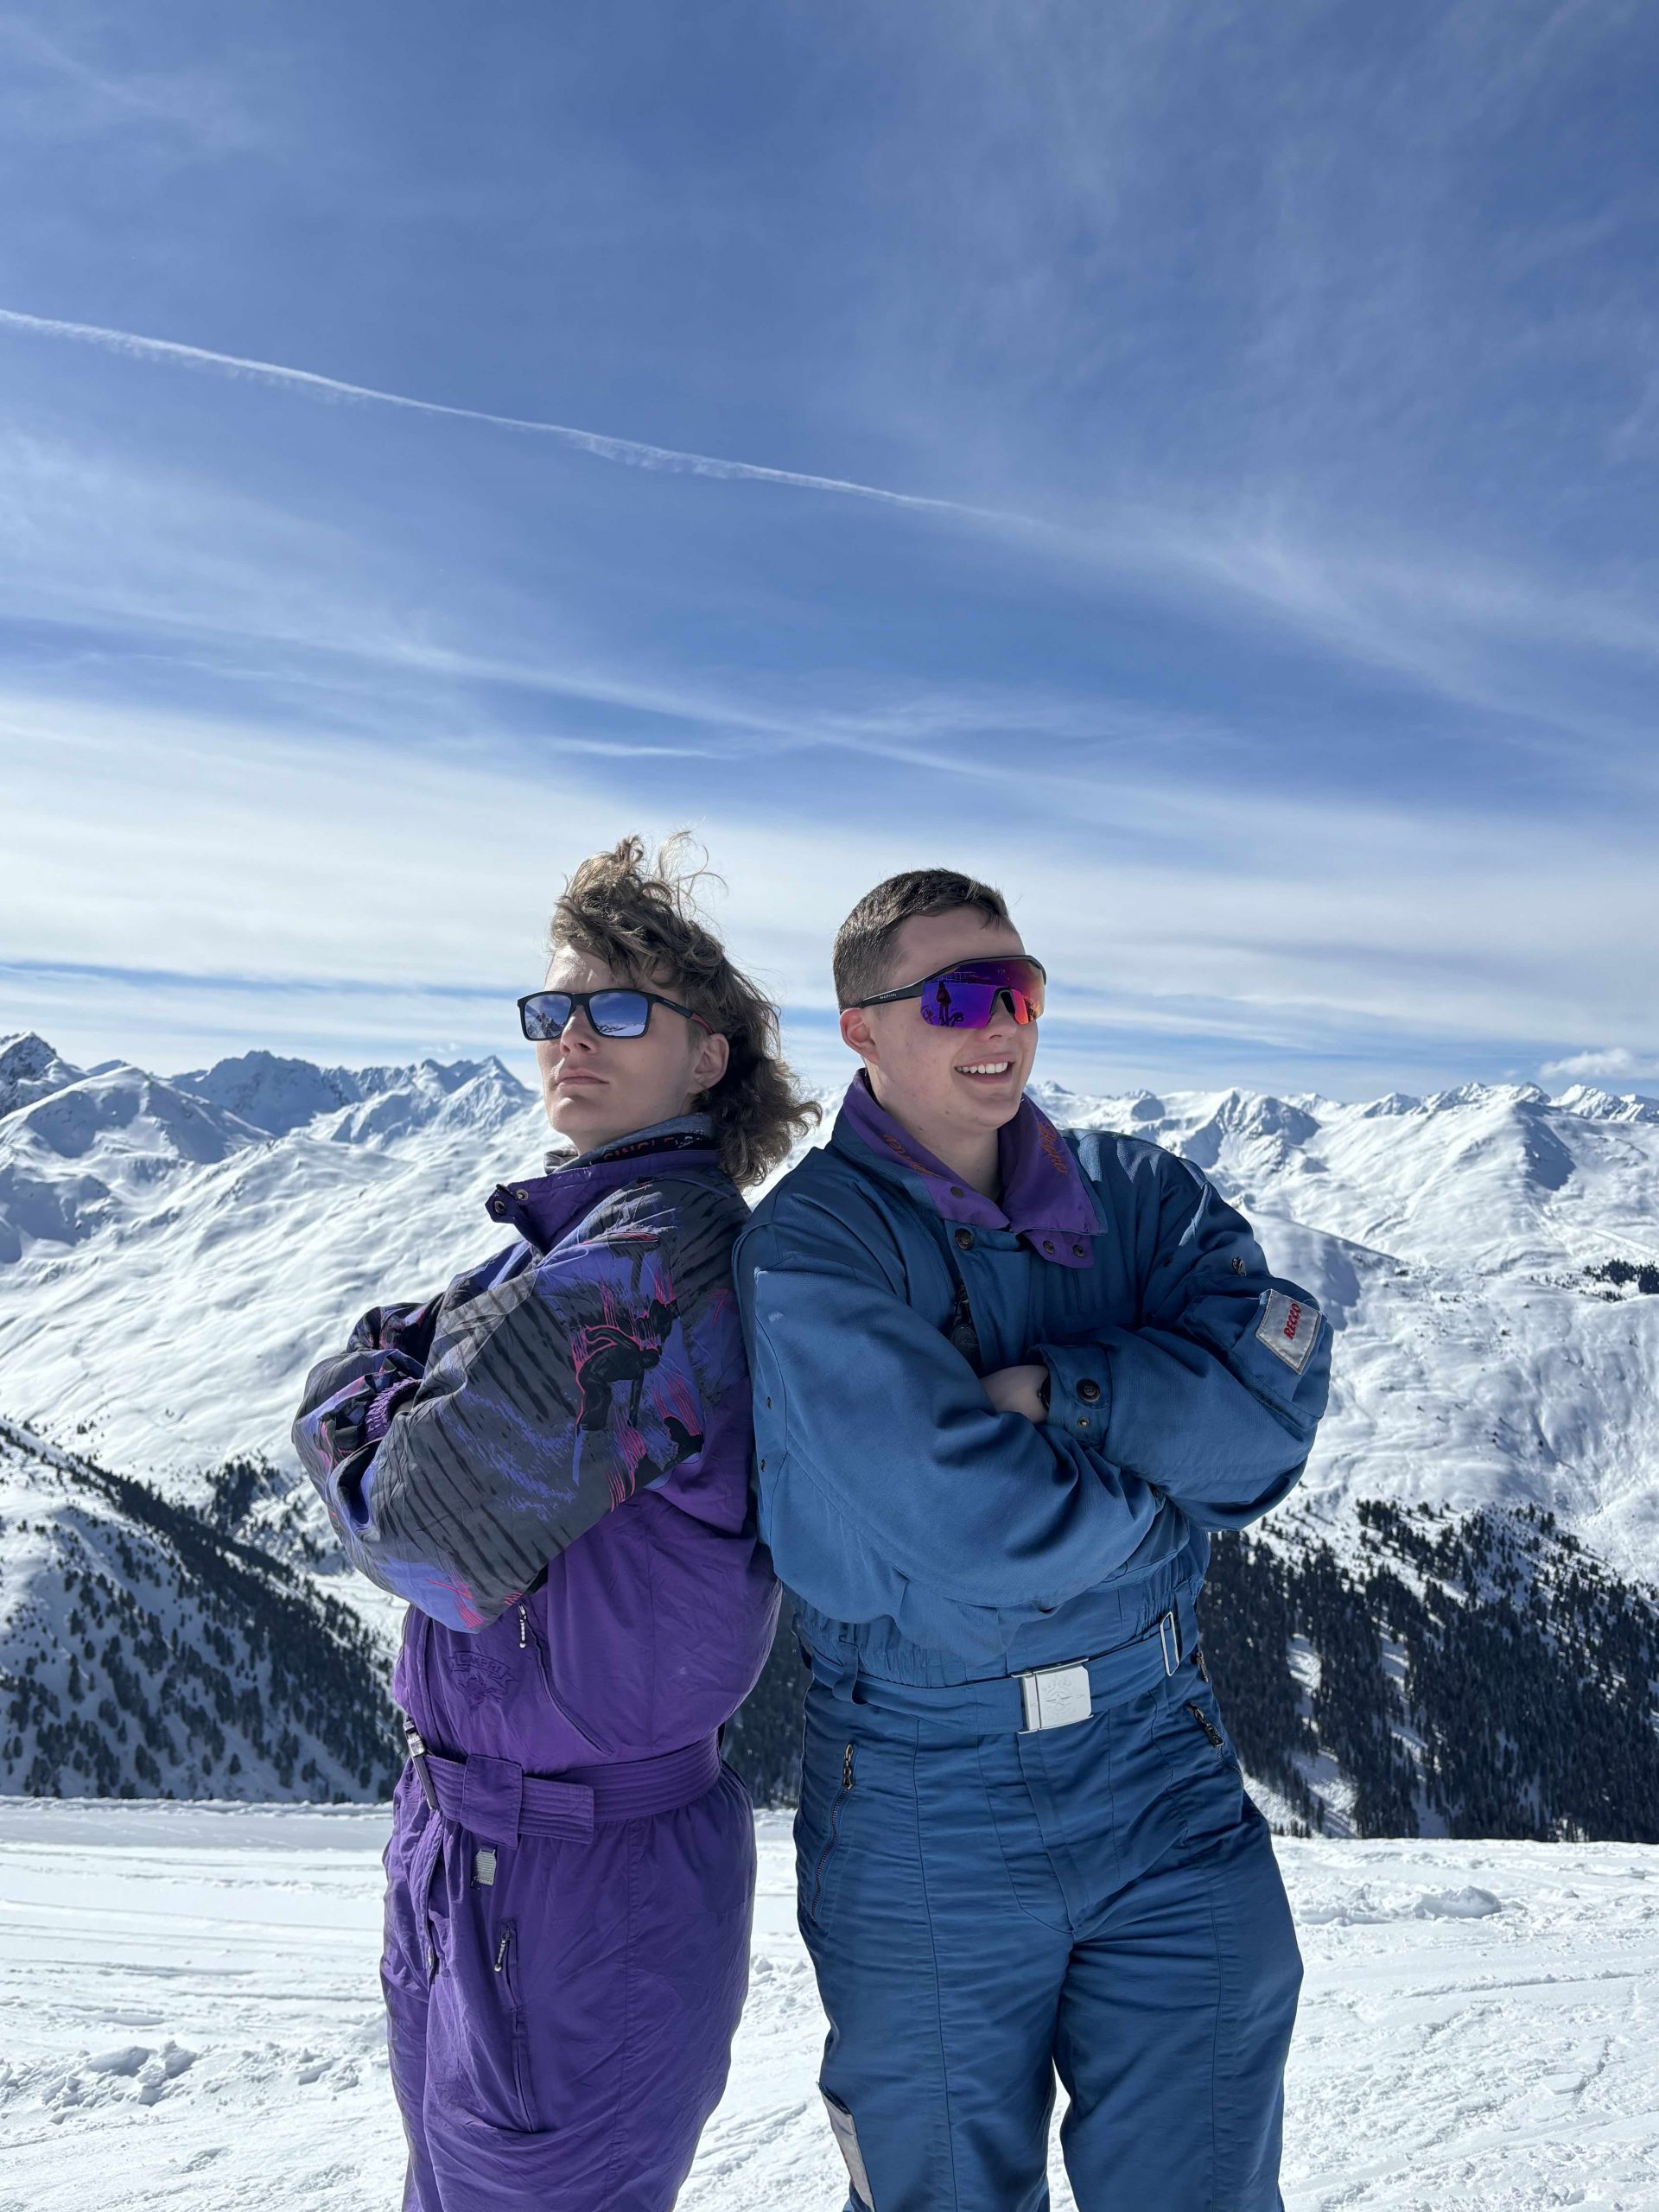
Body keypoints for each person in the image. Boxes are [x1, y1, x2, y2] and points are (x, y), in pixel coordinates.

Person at [734, 868, 1332, 2212]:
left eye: (1021, 989)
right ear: (861, 1028)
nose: (999, 1022)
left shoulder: (1143, 1198)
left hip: (1163, 1768)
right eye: (956, 996)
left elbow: (1275, 1418)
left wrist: (1069, 1395)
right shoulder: (812, 1250)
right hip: (922, 1797)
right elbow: (978, 1529)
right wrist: (1171, 1491)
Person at [292, 836, 816, 2212]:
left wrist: (350, 1392)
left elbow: (426, 1535)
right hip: (477, 1851)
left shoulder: (653, 1261)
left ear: (709, 1058)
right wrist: (392, 1377)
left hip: (582, 1884)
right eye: (554, 1009)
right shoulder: (567, 1238)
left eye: (620, 1007)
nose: (572, 1036)